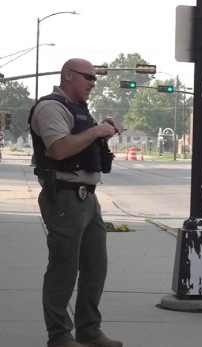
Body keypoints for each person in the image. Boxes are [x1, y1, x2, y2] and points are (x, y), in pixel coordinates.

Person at [29, 58, 123, 347]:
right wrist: (96, 132)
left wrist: (103, 128)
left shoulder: (79, 109)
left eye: (94, 79)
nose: (93, 83)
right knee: (64, 267)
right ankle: (59, 335)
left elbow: (81, 143)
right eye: (88, 77)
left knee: (96, 266)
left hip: (87, 197)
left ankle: (89, 330)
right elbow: (58, 150)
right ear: (68, 75)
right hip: (65, 198)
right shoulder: (50, 108)